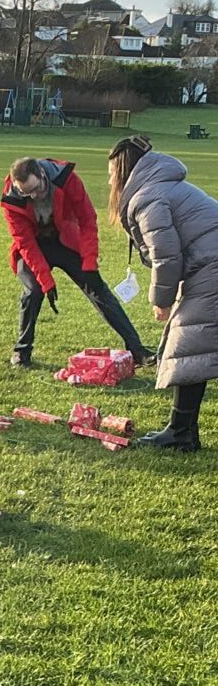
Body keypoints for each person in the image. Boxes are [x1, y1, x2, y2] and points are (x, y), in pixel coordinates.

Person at [108, 134, 218, 451]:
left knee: (189, 345)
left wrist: (162, 301)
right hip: (206, 265)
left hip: (210, 266)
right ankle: (182, 430)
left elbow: (166, 256)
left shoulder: (147, 197)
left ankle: (181, 433)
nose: (110, 181)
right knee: (194, 346)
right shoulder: (160, 186)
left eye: (111, 173)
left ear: (123, 170)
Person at [0, 156, 156, 368]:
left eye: (36, 189)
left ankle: (137, 350)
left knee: (97, 288)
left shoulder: (68, 180)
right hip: (34, 247)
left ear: (43, 175)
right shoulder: (12, 199)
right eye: (26, 193)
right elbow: (25, 242)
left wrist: (90, 261)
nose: (33, 196)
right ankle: (22, 352)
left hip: (65, 240)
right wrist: (46, 281)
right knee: (33, 292)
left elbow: (87, 219)